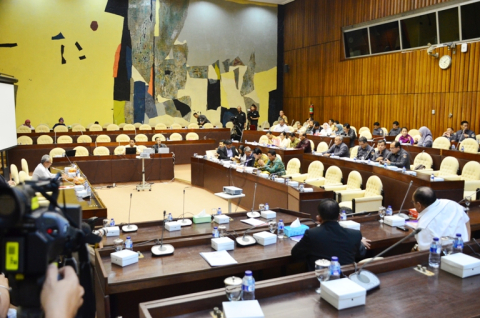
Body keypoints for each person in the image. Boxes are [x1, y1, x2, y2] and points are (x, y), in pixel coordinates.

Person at [291, 199, 370, 270]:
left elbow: (295, 254)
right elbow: (361, 253)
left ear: (318, 218)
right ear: (339, 217)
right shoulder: (355, 235)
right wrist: (361, 243)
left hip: (319, 279)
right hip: (345, 279)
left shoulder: (311, 234)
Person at [412, 187, 470, 251]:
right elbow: (466, 219)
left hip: (443, 258)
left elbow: (424, 252)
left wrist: (415, 248)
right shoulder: (451, 203)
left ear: (418, 205)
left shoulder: (423, 225)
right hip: (466, 251)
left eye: (413, 202)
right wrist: (467, 243)